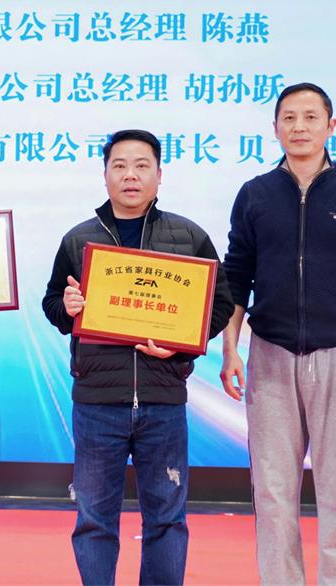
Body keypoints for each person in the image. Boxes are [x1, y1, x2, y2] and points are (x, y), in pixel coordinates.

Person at [220, 83, 336, 584]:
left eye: (310, 117)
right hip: (270, 356)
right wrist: (231, 349)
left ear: (330, 126)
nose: (299, 127)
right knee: (272, 492)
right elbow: (237, 276)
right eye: (289, 118)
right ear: (275, 128)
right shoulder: (255, 194)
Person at [42, 129, 234, 585]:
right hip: (97, 400)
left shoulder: (189, 237)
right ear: (105, 175)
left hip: (162, 398)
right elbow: (53, 304)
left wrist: (182, 343)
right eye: (120, 166)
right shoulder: (79, 239)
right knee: (94, 519)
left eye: (142, 165)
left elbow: (220, 305)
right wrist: (67, 309)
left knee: (166, 519)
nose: (131, 175)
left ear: (159, 175)